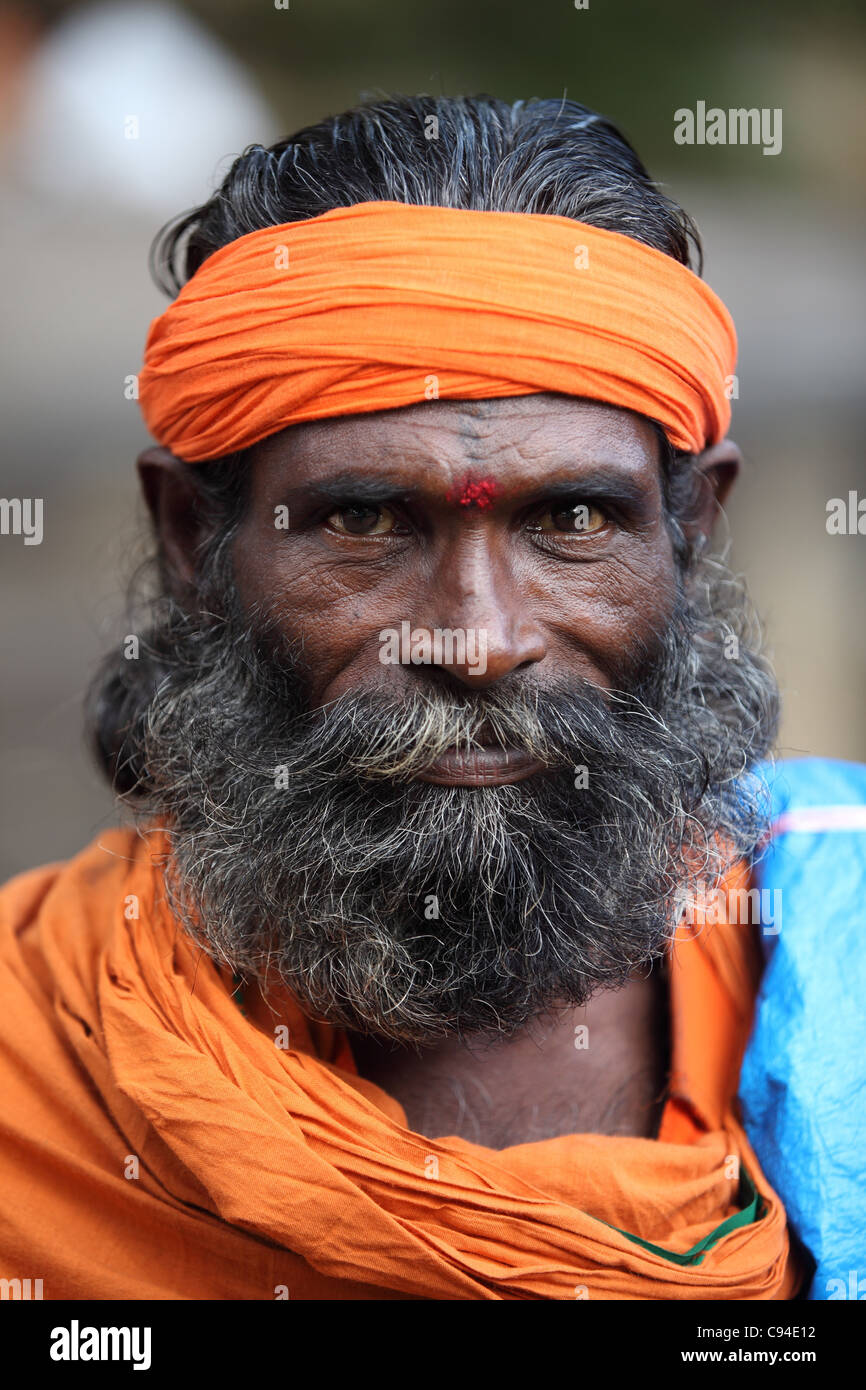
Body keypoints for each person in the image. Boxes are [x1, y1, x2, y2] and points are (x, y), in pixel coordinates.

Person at [0, 94, 821, 1299]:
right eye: (366, 520)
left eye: (574, 520)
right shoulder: (32, 1064)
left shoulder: (837, 960)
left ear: (690, 530)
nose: (478, 641)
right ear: (193, 542)